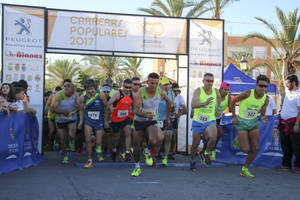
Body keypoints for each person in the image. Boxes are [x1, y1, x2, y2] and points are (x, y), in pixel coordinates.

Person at [131, 72, 171, 177]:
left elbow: (169, 102)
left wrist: (167, 117)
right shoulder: (141, 91)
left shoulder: (161, 92)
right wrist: (145, 115)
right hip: (140, 120)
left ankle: (147, 150)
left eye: (156, 83)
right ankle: (137, 167)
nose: (154, 86)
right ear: (147, 82)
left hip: (151, 120)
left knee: (154, 140)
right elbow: (135, 110)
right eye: (151, 83)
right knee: (136, 146)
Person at [230, 75, 269, 178]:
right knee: (245, 150)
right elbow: (233, 101)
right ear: (256, 85)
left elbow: (262, 112)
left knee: (255, 148)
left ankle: (245, 168)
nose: (263, 89)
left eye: (265, 87)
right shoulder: (247, 93)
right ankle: (239, 139)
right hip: (242, 122)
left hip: (254, 123)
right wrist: (234, 117)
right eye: (261, 86)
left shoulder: (266, 99)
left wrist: (263, 117)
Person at [190, 73, 221, 170]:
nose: (210, 83)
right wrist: (204, 103)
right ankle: (192, 160)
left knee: (213, 137)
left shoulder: (216, 91)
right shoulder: (198, 91)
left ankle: (206, 153)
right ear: (203, 81)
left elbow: (219, 98)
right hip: (198, 120)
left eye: (212, 81)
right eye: (208, 81)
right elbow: (193, 104)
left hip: (210, 119)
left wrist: (217, 109)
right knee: (195, 143)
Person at [51, 80, 83, 164]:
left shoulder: (75, 94)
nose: (71, 95)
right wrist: (64, 112)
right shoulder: (59, 95)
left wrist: (76, 108)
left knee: (72, 135)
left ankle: (71, 141)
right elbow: (53, 109)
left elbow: (80, 107)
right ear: (65, 90)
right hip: (61, 119)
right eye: (69, 93)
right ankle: (65, 156)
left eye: (72, 93)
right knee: (62, 139)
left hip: (71, 119)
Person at [81, 79, 109, 168]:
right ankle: (89, 159)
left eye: (92, 89)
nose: (90, 91)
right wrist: (81, 121)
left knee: (99, 141)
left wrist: (105, 121)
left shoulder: (101, 95)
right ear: (85, 89)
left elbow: (107, 108)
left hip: (99, 120)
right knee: (88, 139)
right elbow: (81, 110)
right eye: (88, 89)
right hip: (88, 120)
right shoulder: (83, 97)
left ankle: (98, 150)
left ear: (95, 88)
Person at [278, 74, 300, 173]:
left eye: (288, 83)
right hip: (283, 122)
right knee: (285, 144)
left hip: (293, 122)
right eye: (286, 83)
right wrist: (285, 62)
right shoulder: (287, 91)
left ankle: (298, 166)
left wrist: (297, 124)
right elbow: (284, 76)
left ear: (294, 83)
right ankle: (286, 165)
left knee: (296, 145)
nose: (286, 85)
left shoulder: (299, 94)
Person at [108, 79, 134, 161]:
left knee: (128, 132)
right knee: (116, 137)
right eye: (126, 87)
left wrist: (133, 111)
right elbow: (109, 103)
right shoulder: (118, 94)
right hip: (116, 118)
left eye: (130, 87)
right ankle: (114, 150)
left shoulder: (131, 94)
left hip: (126, 118)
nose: (128, 89)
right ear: (123, 86)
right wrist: (111, 108)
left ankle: (127, 152)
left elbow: (134, 105)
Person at [211, 82, 232, 161]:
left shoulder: (228, 97)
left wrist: (232, 104)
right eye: (225, 89)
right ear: (220, 89)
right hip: (210, 118)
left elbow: (230, 109)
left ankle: (212, 150)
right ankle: (208, 150)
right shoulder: (215, 95)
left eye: (228, 90)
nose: (226, 91)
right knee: (216, 134)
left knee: (217, 134)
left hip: (218, 118)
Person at [157, 77, 173, 166]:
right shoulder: (156, 93)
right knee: (158, 139)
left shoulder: (171, 93)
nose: (167, 86)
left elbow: (171, 104)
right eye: (165, 85)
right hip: (157, 119)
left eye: (168, 84)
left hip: (167, 118)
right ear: (160, 85)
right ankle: (154, 154)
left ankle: (165, 158)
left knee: (168, 137)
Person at [171, 83, 187, 159]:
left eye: (177, 91)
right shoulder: (167, 95)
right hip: (165, 117)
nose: (176, 92)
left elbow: (185, 109)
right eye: (174, 91)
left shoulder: (179, 97)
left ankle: (171, 152)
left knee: (174, 135)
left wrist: (179, 114)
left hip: (174, 119)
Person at [45, 86, 62, 151]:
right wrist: (51, 110)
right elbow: (47, 105)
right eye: (56, 93)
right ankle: (49, 145)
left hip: (59, 116)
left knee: (59, 132)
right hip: (51, 116)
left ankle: (59, 145)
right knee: (52, 131)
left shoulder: (63, 97)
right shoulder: (52, 96)